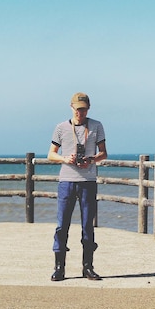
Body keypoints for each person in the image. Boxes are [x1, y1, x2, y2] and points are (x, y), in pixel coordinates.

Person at [48, 92, 107, 281]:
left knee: (87, 225)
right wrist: (65, 158)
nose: (80, 113)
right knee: (61, 225)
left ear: (88, 108)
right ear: (71, 107)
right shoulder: (61, 127)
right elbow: (51, 154)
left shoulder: (96, 126)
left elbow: (103, 153)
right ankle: (59, 267)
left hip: (88, 181)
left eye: (84, 109)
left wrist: (90, 159)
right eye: (78, 109)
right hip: (66, 180)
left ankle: (88, 267)